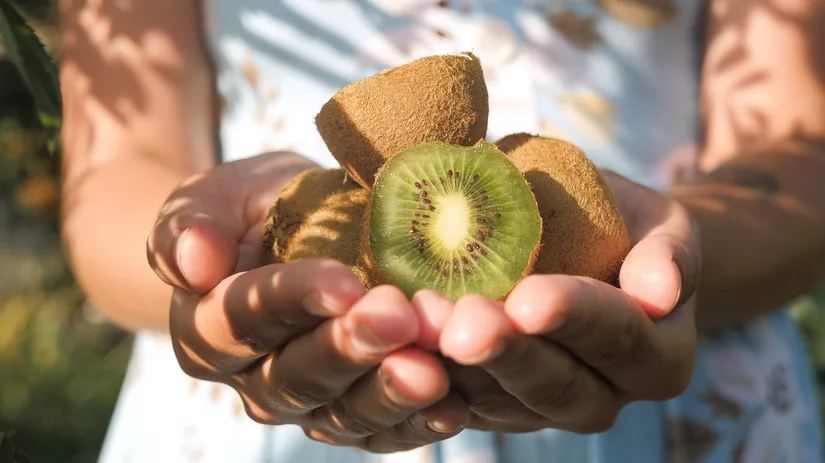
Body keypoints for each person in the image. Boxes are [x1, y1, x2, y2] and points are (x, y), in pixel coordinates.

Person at [58, 0, 825, 462]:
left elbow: (799, 152)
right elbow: (121, 161)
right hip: (262, 389)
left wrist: (659, 254)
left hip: (685, 385)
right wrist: (201, 259)